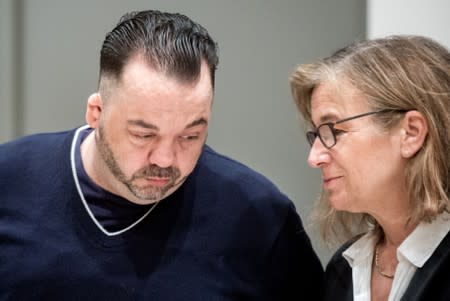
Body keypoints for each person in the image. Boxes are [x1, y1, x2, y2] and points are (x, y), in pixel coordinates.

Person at [0, 9, 324, 300]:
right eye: (143, 134)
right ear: (97, 113)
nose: (166, 159)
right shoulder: (9, 179)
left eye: (190, 135)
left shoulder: (258, 217)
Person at [290, 35, 450, 300]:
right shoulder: (343, 269)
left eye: (332, 130)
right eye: (316, 134)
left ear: (411, 133)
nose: (314, 157)